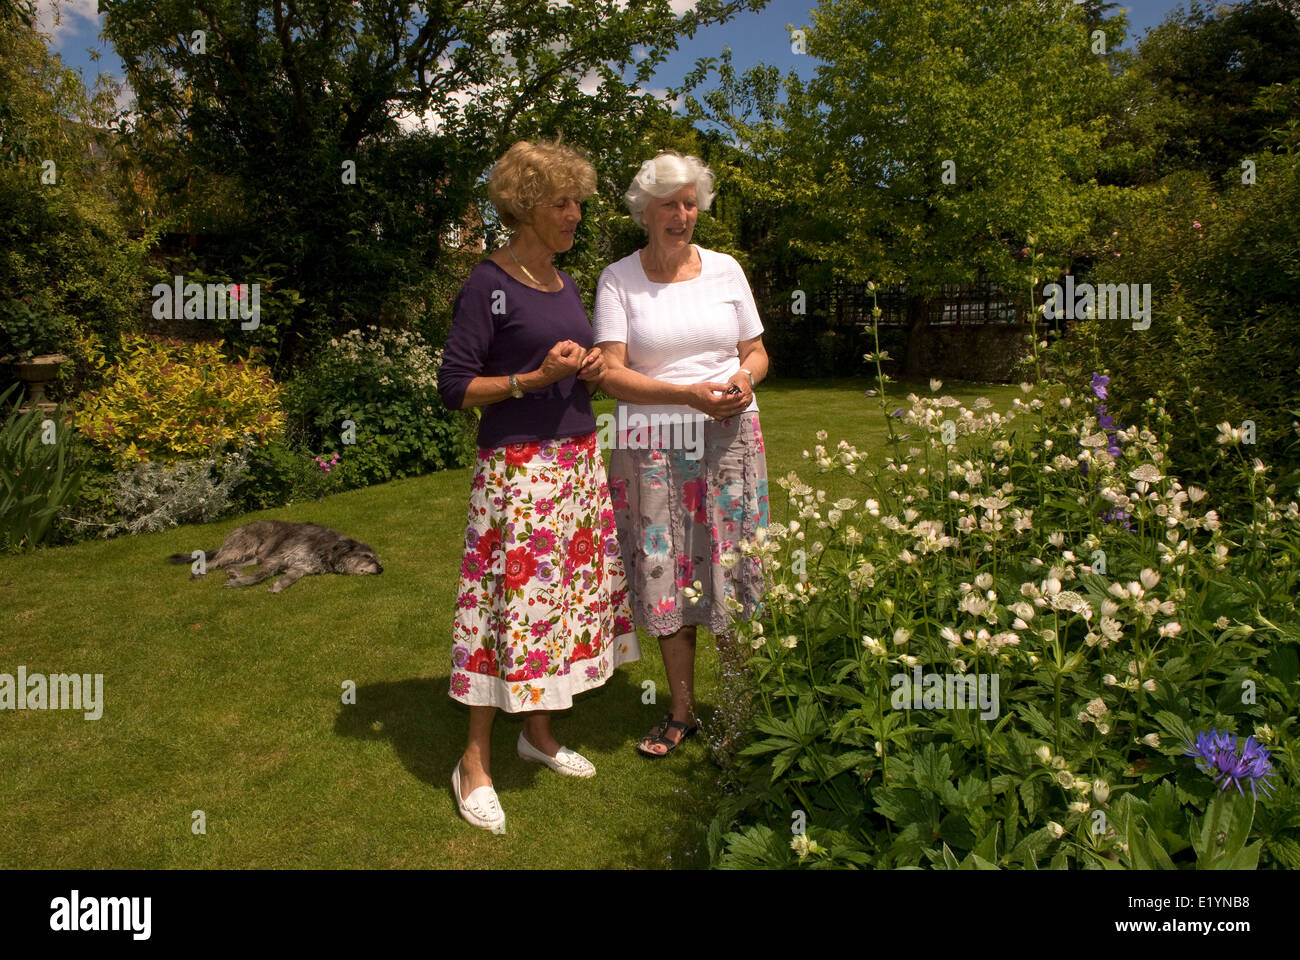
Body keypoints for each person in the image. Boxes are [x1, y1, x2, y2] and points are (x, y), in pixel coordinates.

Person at [437, 140, 640, 830]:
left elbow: (565, 360)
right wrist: (534, 379)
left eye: (579, 201)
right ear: (526, 206)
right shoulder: (488, 283)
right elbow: (455, 387)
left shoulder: (564, 282)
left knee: (562, 609)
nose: (576, 213)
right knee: (506, 613)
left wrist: (581, 370)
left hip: (576, 465)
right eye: (563, 202)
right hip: (520, 474)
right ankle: (474, 760)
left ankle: (540, 733)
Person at [593, 151, 770, 758]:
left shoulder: (726, 271)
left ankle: (748, 710)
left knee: (730, 565)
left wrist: (744, 379)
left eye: (691, 202)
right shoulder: (619, 279)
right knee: (670, 572)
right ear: (644, 209)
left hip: (728, 438)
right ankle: (682, 711)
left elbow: (757, 351)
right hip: (650, 446)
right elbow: (611, 376)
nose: (682, 214)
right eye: (670, 202)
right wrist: (684, 395)